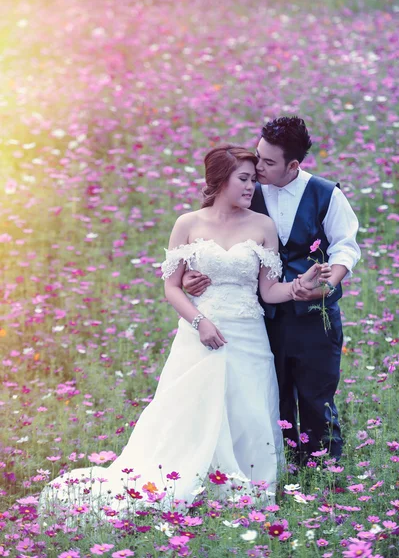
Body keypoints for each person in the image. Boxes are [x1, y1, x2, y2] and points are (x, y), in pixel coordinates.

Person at [39, 145, 331, 519]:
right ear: (220, 180)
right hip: (200, 334)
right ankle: (183, 479)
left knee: (248, 412)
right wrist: (200, 322)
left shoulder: (262, 226)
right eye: (244, 179)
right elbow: (172, 287)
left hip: (248, 336)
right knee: (190, 411)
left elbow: (269, 291)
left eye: (253, 179)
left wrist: (298, 286)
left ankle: (244, 493)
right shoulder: (188, 223)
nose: (251, 187)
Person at [184, 119, 361, 463]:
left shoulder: (326, 194)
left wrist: (328, 283)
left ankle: (321, 467)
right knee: (269, 394)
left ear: (293, 165)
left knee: (316, 394)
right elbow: (212, 236)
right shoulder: (246, 188)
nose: (257, 166)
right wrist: (193, 276)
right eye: (258, 156)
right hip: (261, 315)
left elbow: (346, 247)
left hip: (315, 316)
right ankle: (277, 463)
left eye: (268, 162)